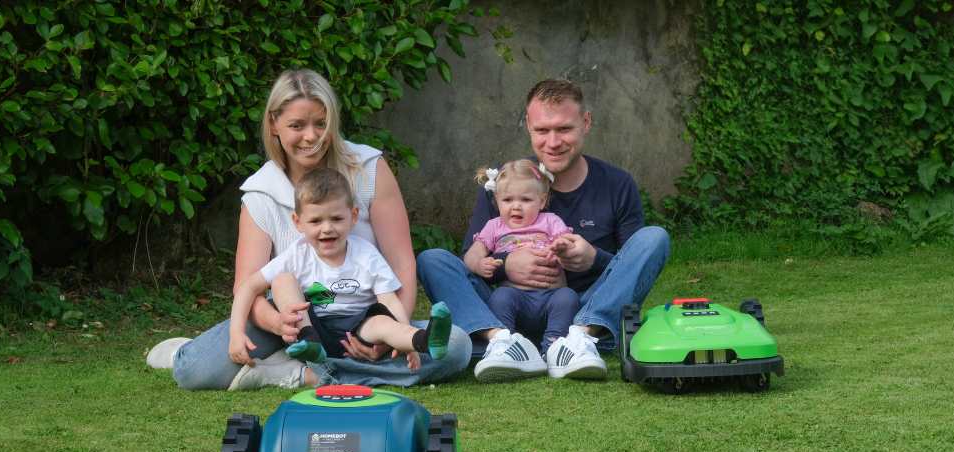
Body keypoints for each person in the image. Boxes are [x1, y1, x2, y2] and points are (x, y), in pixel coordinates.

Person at [147, 69, 470, 389]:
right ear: (274, 124)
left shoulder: (369, 167)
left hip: (364, 316)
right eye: (296, 125)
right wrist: (279, 324)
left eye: (320, 123)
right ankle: (302, 364)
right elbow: (249, 286)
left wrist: (390, 339)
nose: (311, 136)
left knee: (456, 346)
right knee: (195, 370)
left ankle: (301, 373)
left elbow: (401, 262)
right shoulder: (261, 192)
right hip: (296, 316)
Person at [417, 78, 670, 381]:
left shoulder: (617, 184)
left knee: (655, 238)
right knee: (432, 260)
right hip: (507, 309)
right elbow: (468, 262)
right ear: (527, 125)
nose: (553, 142)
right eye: (542, 130)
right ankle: (499, 341)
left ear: (585, 122)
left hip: (579, 308)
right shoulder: (505, 182)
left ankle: (581, 340)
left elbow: (632, 263)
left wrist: (594, 258)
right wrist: (506, 266)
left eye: (564, 129)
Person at [230, 166, 453, 380]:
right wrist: (236, 333)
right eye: (316, 220)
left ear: (353, 216)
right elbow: (248, 287)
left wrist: (406, 341)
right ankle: (310, 347)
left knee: (383, 322)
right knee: (282, 281)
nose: (327, 228)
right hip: (312, 327)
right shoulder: (297, 255)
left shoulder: (366, 254)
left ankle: (424, 340)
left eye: (336, 219)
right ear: (298, 222)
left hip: (359, 331)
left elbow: (389, 300)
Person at [462, 159, 580, 380]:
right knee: (500, 297)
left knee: (568, 297)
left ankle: (553, 347)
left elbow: (568, 241)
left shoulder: (550, 221)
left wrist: (561, 248)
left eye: (526, 199)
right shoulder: (494, 226)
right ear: (496, 201)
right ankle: (507, 345)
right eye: (508, 199)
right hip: (515, 296)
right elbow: (471, 254)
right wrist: (479, 264)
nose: (516, 206)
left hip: (551, 295)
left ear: (542, 200)